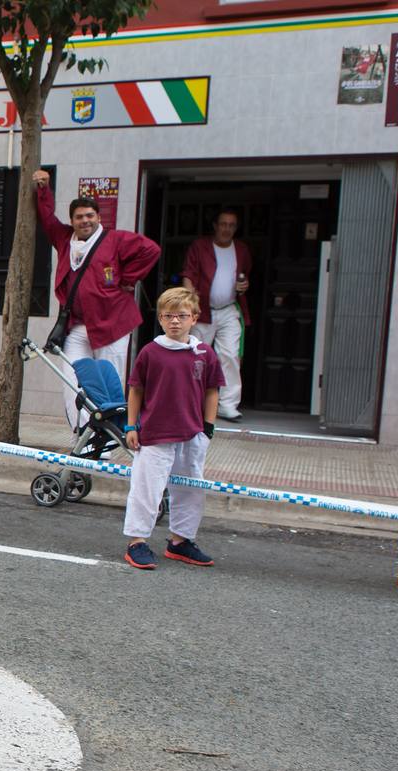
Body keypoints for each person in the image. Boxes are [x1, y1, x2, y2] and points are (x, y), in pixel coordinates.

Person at [32, 170, 161, 428]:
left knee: (108, 386)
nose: (85, 221)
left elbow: (151, 250)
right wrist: (43, 190)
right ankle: (81, 437)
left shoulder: (115, 239)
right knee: (72, 381)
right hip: (78, 327)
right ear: (72, 220)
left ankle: (106, 444)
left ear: (98, 217)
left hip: (112, 325)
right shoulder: (64, 239)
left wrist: (128, 279)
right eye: (79, 217)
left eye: (90, 216)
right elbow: (47, 219)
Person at [121, 287, 223, 570]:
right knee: (146, 489)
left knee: (191, 489)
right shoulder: (150, 352)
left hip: (192, 434)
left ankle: (181, 541)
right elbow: (136, 390)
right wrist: (131, 425)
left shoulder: (204, 353)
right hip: (155, 434)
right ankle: (137, 542)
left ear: (194, 318)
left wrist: (208, 427)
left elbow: (212, 390)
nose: (175, 321)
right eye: (168, 316)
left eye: (181, 315)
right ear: (161, 319)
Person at [182, 208, 251, 422]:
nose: (227, 229)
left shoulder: (241, 249)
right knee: (196, 357)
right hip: (202, 311)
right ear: (215, 226)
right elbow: (188, 274)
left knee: (230, 355)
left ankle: (228, 405)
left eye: (231, 225)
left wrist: (245, 285)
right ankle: (191, 403)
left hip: (229, 309)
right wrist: (188, 305)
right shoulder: (200, 246)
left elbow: (245, 277)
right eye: (223, 224)